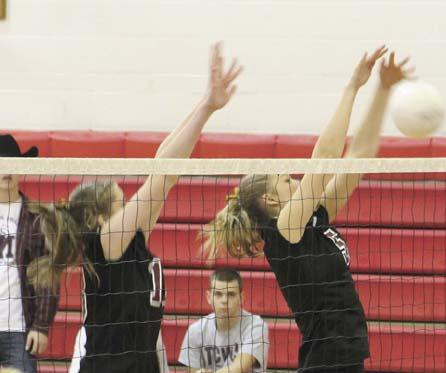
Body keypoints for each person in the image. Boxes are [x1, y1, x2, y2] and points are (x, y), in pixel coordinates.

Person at [26, 43, 242, 373]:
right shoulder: (105, 242)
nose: (130, 205)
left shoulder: (129, 240)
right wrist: (206, 111)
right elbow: (160, 176)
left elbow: (164, 170)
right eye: (121, 203)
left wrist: (207, 103)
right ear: (98, 218)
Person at [204, 48, 415, 372]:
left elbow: (358, 156)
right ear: (272, 202)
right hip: (327, 362)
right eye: (287, 180)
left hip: (345, 357)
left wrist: (382, 90)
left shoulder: (313, 219)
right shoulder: (283, 232)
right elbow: (325, 156)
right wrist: (352, 86)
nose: (296, 180)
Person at [0, 134, 59, 373]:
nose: (7, 171)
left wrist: (41, 326)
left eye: (13, 164)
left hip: (19, 330)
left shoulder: (37, 218)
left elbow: (47, 278)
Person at [178, 268, 269, 373]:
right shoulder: (196, 331)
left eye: (231, 294)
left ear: (241, 297)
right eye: (218, 294)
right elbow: (192, 371)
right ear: (208, 297)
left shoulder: (256, 326)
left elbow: (238, 368)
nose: (224, 300)